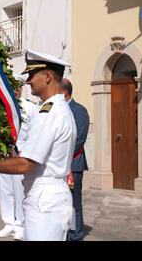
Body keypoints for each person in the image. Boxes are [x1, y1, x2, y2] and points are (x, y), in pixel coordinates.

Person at [0, 49, 77, 241]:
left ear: (48, 76)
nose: (28, 81)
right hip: (51, 198)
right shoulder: (59, 109)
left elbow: (26, 163)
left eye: (31, 75)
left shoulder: (49, 113)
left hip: (45, 201)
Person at [0, 74, 37, 241]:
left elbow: (34, 132)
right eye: (13, 87)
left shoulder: (30, 108)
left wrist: (27, 151)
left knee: (20, 191)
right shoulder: (1, 106)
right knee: (4, 189)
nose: (16, 90)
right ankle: (8, 222)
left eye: (18, 87)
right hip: (4, 153)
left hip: (21, 154)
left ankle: (20, 225)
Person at [61, 78, 89, 241]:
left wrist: (61, 155)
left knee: (73, 203)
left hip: (73, 164)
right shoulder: (58, 109)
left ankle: (76, 234)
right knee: (62, 202)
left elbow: (79, 140)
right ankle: (65, 232)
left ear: (64, 92)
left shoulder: (79, 110)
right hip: (60, 165)